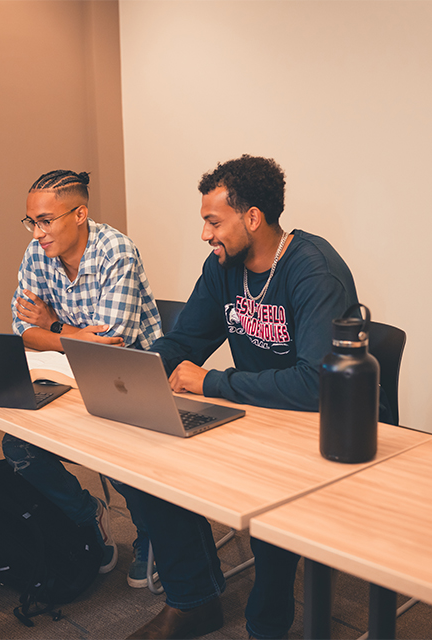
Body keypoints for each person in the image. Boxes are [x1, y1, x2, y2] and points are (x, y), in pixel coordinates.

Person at [125, 155, 360, 639]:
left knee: (269, 503)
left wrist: (212, 383)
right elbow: (185, 341)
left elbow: (317, 385)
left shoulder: (313, 272)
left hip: (325, 427)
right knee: (144, 461)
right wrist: (134, 372)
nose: (205, 235)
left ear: (252, 217)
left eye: (214, 222)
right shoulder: (223, 268)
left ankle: (266, 625)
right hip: (256, 415)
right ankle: (193, 601)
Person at [3, 169, 163, 587]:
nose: (37, 232)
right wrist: (70, 336)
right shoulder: (36, 253)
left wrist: (54, 325)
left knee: (110, 451)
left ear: (79, 214)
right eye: (31, 222)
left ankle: (153, 533)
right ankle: (88, 514)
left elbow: (109, 344)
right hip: (69, 381)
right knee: (17, 446)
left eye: (45, 220)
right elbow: (22, 330)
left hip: (130, 382)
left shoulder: (116, 252)